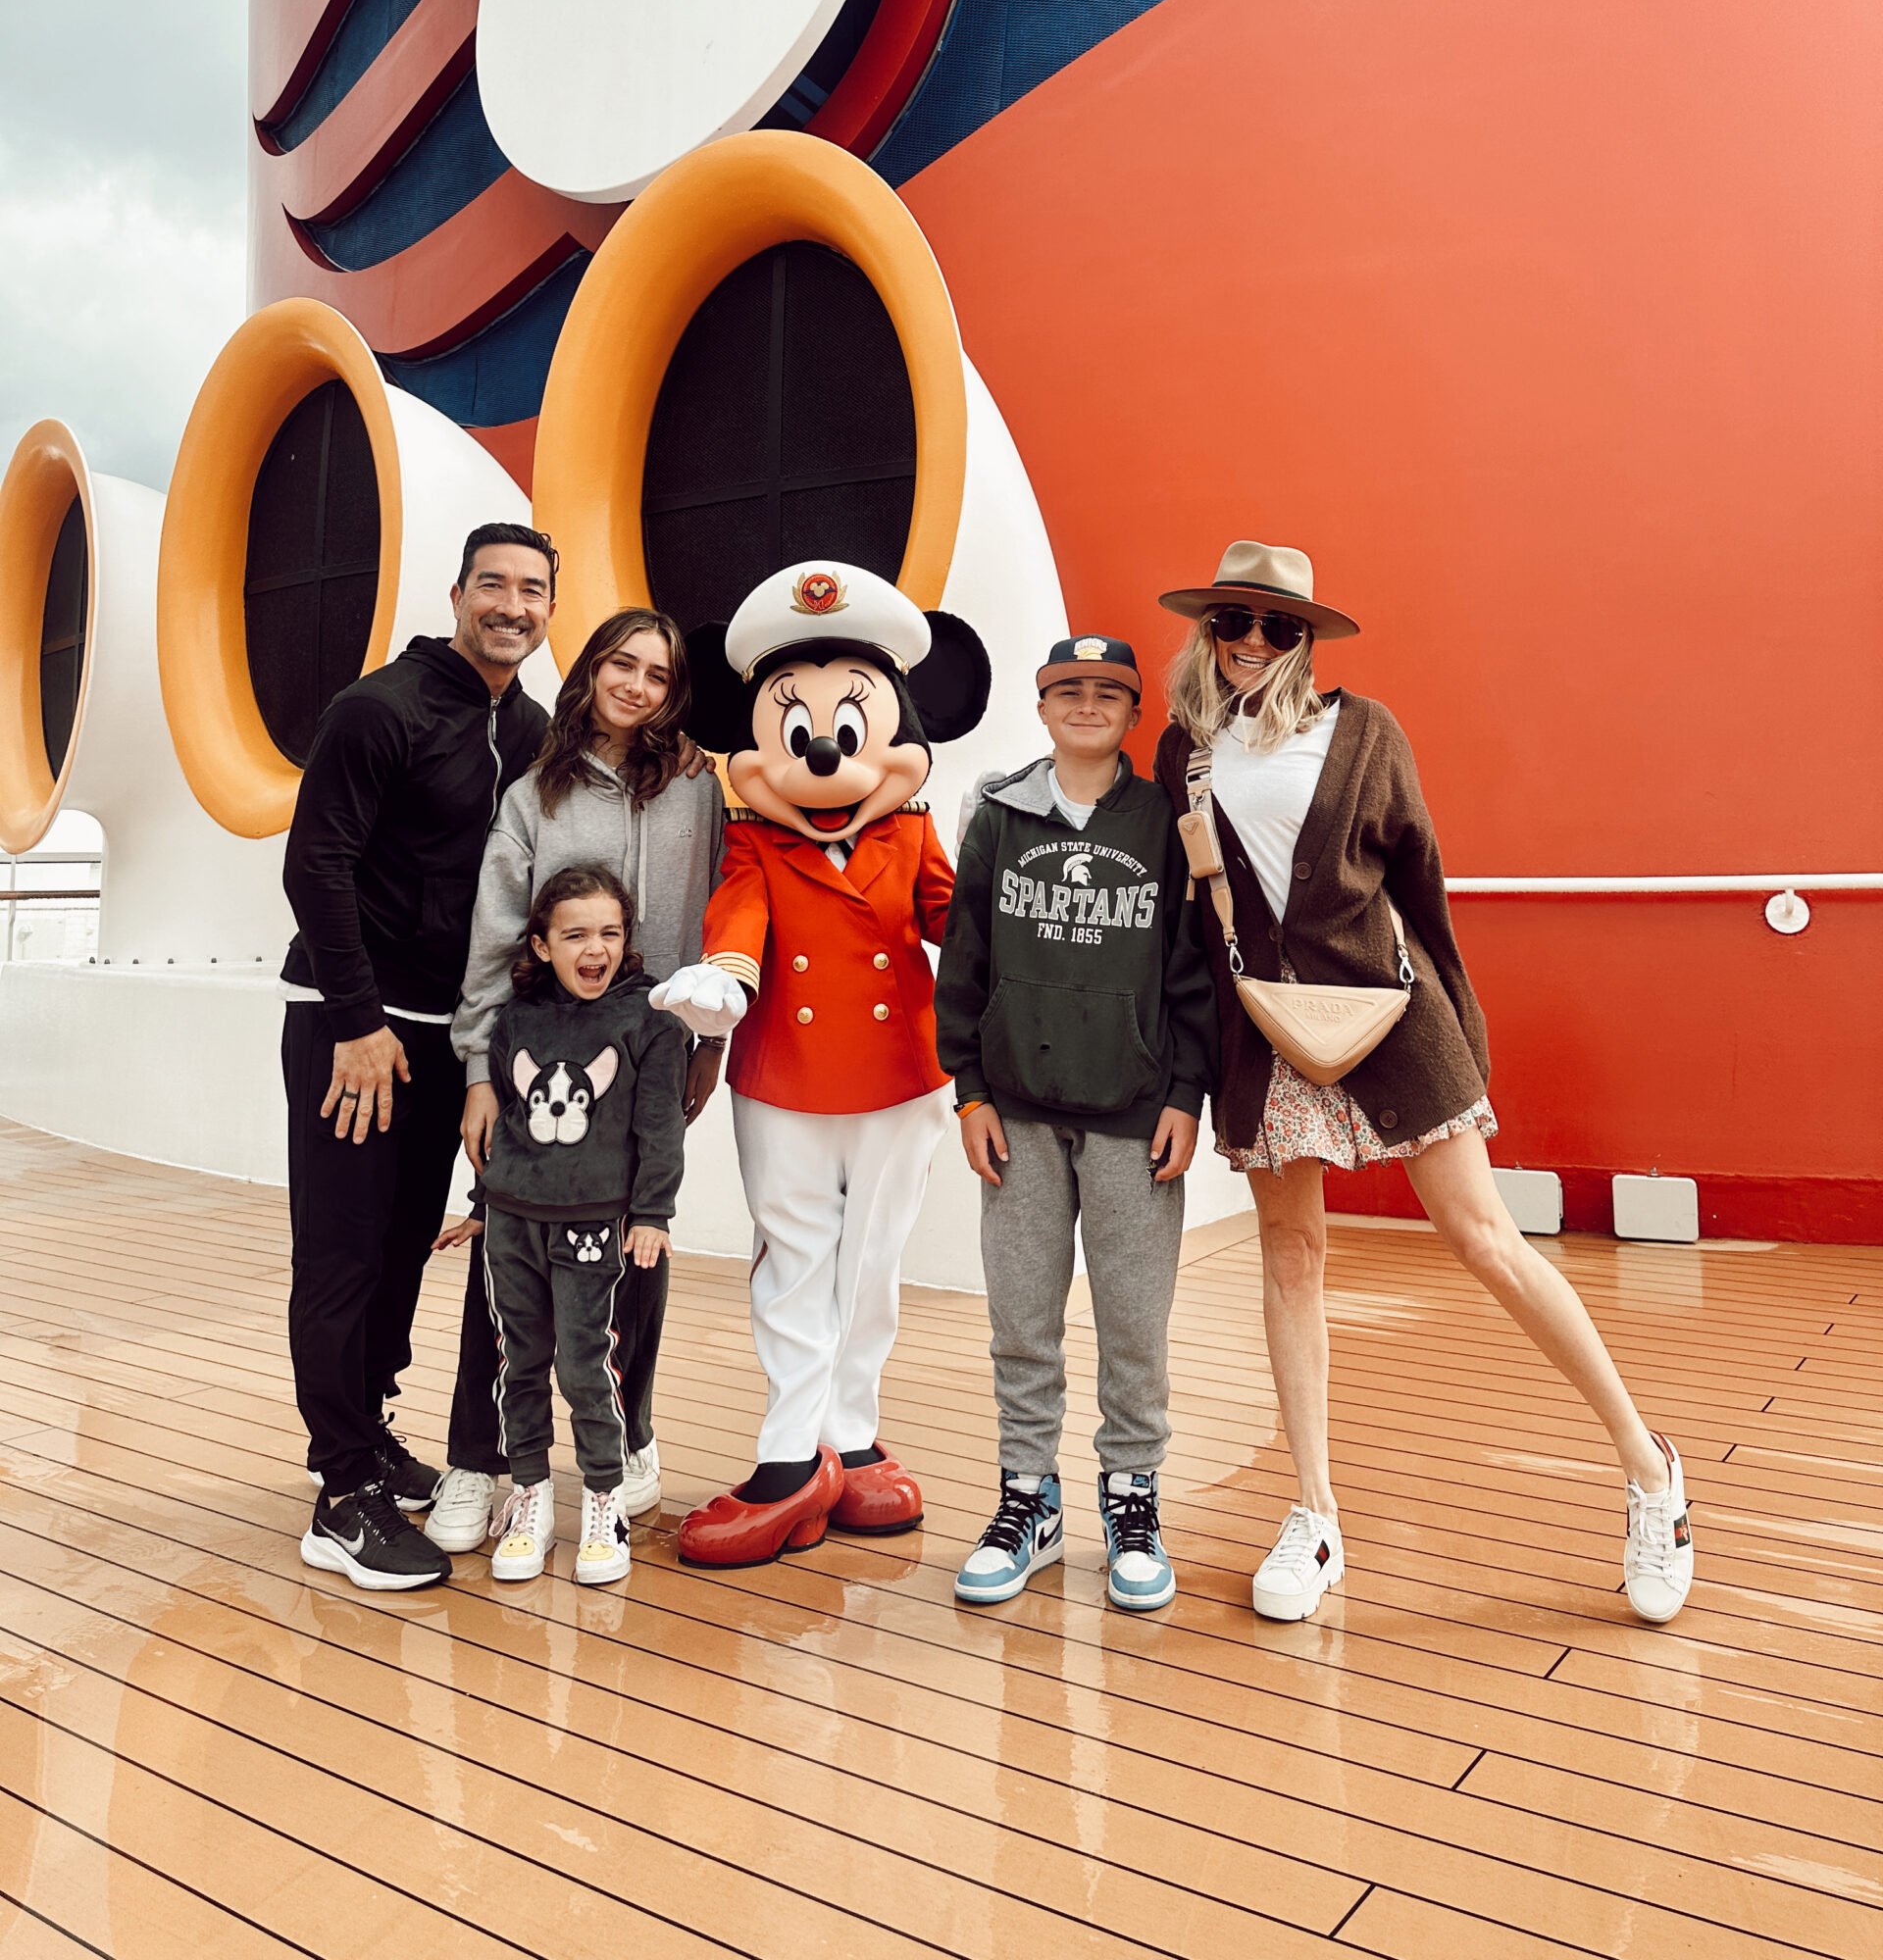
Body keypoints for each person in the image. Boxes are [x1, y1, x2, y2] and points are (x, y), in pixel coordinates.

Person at [1153, 540, 1695, 1627]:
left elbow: (1423, 888)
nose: (1253, 642)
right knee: (1292, 1256)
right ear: (1207, 631)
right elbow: (1185, 923)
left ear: (1307, 639)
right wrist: (1186, 1069)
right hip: (1265, 1033)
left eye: (1278, 626)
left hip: (1396, 1020)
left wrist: (1463, 1040)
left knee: (1485, 1237)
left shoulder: (1366, 732)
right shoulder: (1185, 751)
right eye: (1234, 622)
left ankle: (1651, 1472)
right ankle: (1313, 1513)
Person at [651, 561, 991, 1566]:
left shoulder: (915, 829)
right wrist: (724, 977)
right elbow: (739, 914)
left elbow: (952, 918)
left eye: (852, 726)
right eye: (796, 732)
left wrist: (1019, 941)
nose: (827, 755)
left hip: (900, 1077)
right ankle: (790, 1455)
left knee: (874, 1261)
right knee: (793, 1262)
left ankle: (852, 1429)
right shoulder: (757, 843)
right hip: (787, 1078)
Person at [290, 523, 555, 1592]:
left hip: (450, 1033)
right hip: (353, 1024)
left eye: (532, 589)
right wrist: (357, 1021)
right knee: (344, 1248)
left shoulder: (531, 728)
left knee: (404, 1244)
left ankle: (370, 1428)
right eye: (492, 583)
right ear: (457, 593)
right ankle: (339, 1488)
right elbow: (318, 864)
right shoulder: (378, 709)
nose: (511, 604)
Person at [424, 608, 723, 1554]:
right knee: (504, 1249)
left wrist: (708, 1039)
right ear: (591, 670)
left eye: (658, 674)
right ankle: (480, 1456)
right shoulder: (533, 794)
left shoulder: (696, 788)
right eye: (621, 665)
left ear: (675, 692)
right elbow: (494, 932)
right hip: (536, 1055)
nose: (636, 685)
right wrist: (479, 1068)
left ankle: (626, 1437)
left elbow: (723, 908)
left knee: (638, 1232)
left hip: (650, 1044)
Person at [937, 636, 1217, 1612]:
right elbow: (963, 959)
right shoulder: (1001, 814)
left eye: (1108, 691)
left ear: (1134, 711)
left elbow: (1192, 969)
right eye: (1069, 690)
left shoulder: (1165, 821)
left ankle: (1133, 1499)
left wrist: (1185, 1092)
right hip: (1015, 1110)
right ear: (1043, 703)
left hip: (1134, 1117)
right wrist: (968, 1088)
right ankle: (1030, 1500)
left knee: (1134, 1323)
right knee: (1022, 1322)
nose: (1087, 704)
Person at [444, 865, 687, 1585]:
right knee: (518, 1364)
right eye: (575, 934)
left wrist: (651, 1214)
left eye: (610, 933)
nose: (596, 948)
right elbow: (511, 1131)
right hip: (513, 1225)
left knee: (588, 1369)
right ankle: (530, 1498)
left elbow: (660, 1129)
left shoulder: (650, 1019)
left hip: (595, 1229)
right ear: (543, 945)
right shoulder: (515, 1020)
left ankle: (604, 1502)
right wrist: (482, 1207)